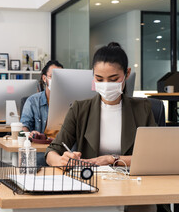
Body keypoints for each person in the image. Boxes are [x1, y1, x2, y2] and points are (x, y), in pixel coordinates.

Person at [45, 43, 168, 212]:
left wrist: (112, 159)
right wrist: (61, 160)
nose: (106, 84)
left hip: (134, 187)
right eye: (99, 79)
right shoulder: (80, 109)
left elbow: (154, 157)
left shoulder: (143, 108)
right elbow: (52, 151)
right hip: (91, 185)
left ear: (127, 74)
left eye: (113, 79)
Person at [20, 60, 63, 166]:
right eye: (53, 76)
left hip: (64, 149)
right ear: (45, 78)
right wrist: (30, 133)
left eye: (60, 77)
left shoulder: (71, 101)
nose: (57, 80)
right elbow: (24, 126)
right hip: (42, 150)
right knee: (34, 160)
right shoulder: (33, 101)